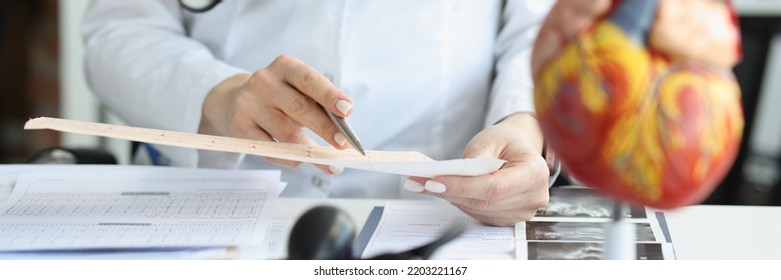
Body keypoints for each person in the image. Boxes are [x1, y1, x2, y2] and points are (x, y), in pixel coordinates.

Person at [81, 0, 557, 226]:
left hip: (439, 217)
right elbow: (119, 29)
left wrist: (521, 121)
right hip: (207, 203)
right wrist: (219, 95)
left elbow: (540, 32)